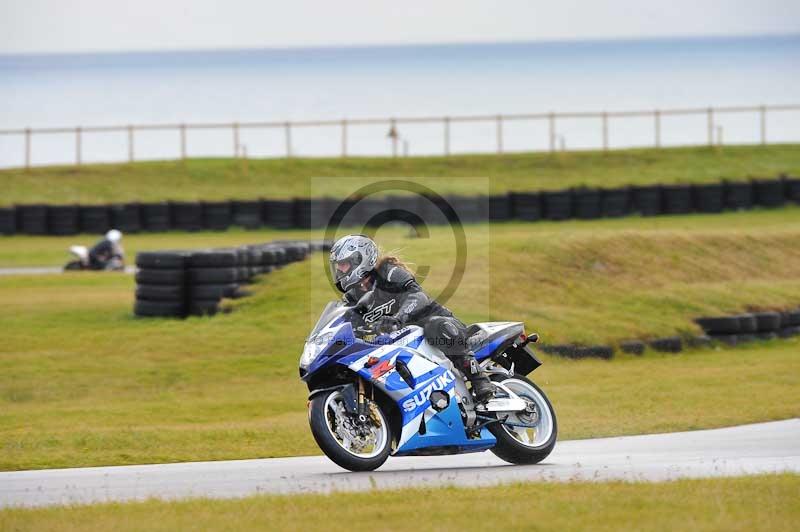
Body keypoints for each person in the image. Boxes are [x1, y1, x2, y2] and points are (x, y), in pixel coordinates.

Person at [329, 234, 495, 402]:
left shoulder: (388, 272)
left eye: (343, 265)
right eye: (338, 266)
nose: (339, 271)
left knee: (434, 326)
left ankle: (479, 379)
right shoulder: (352, 298)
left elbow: (418, 295)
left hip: (440, 327)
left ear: (360, 259)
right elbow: (347, 325)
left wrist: (399, 318)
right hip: (404, 343)